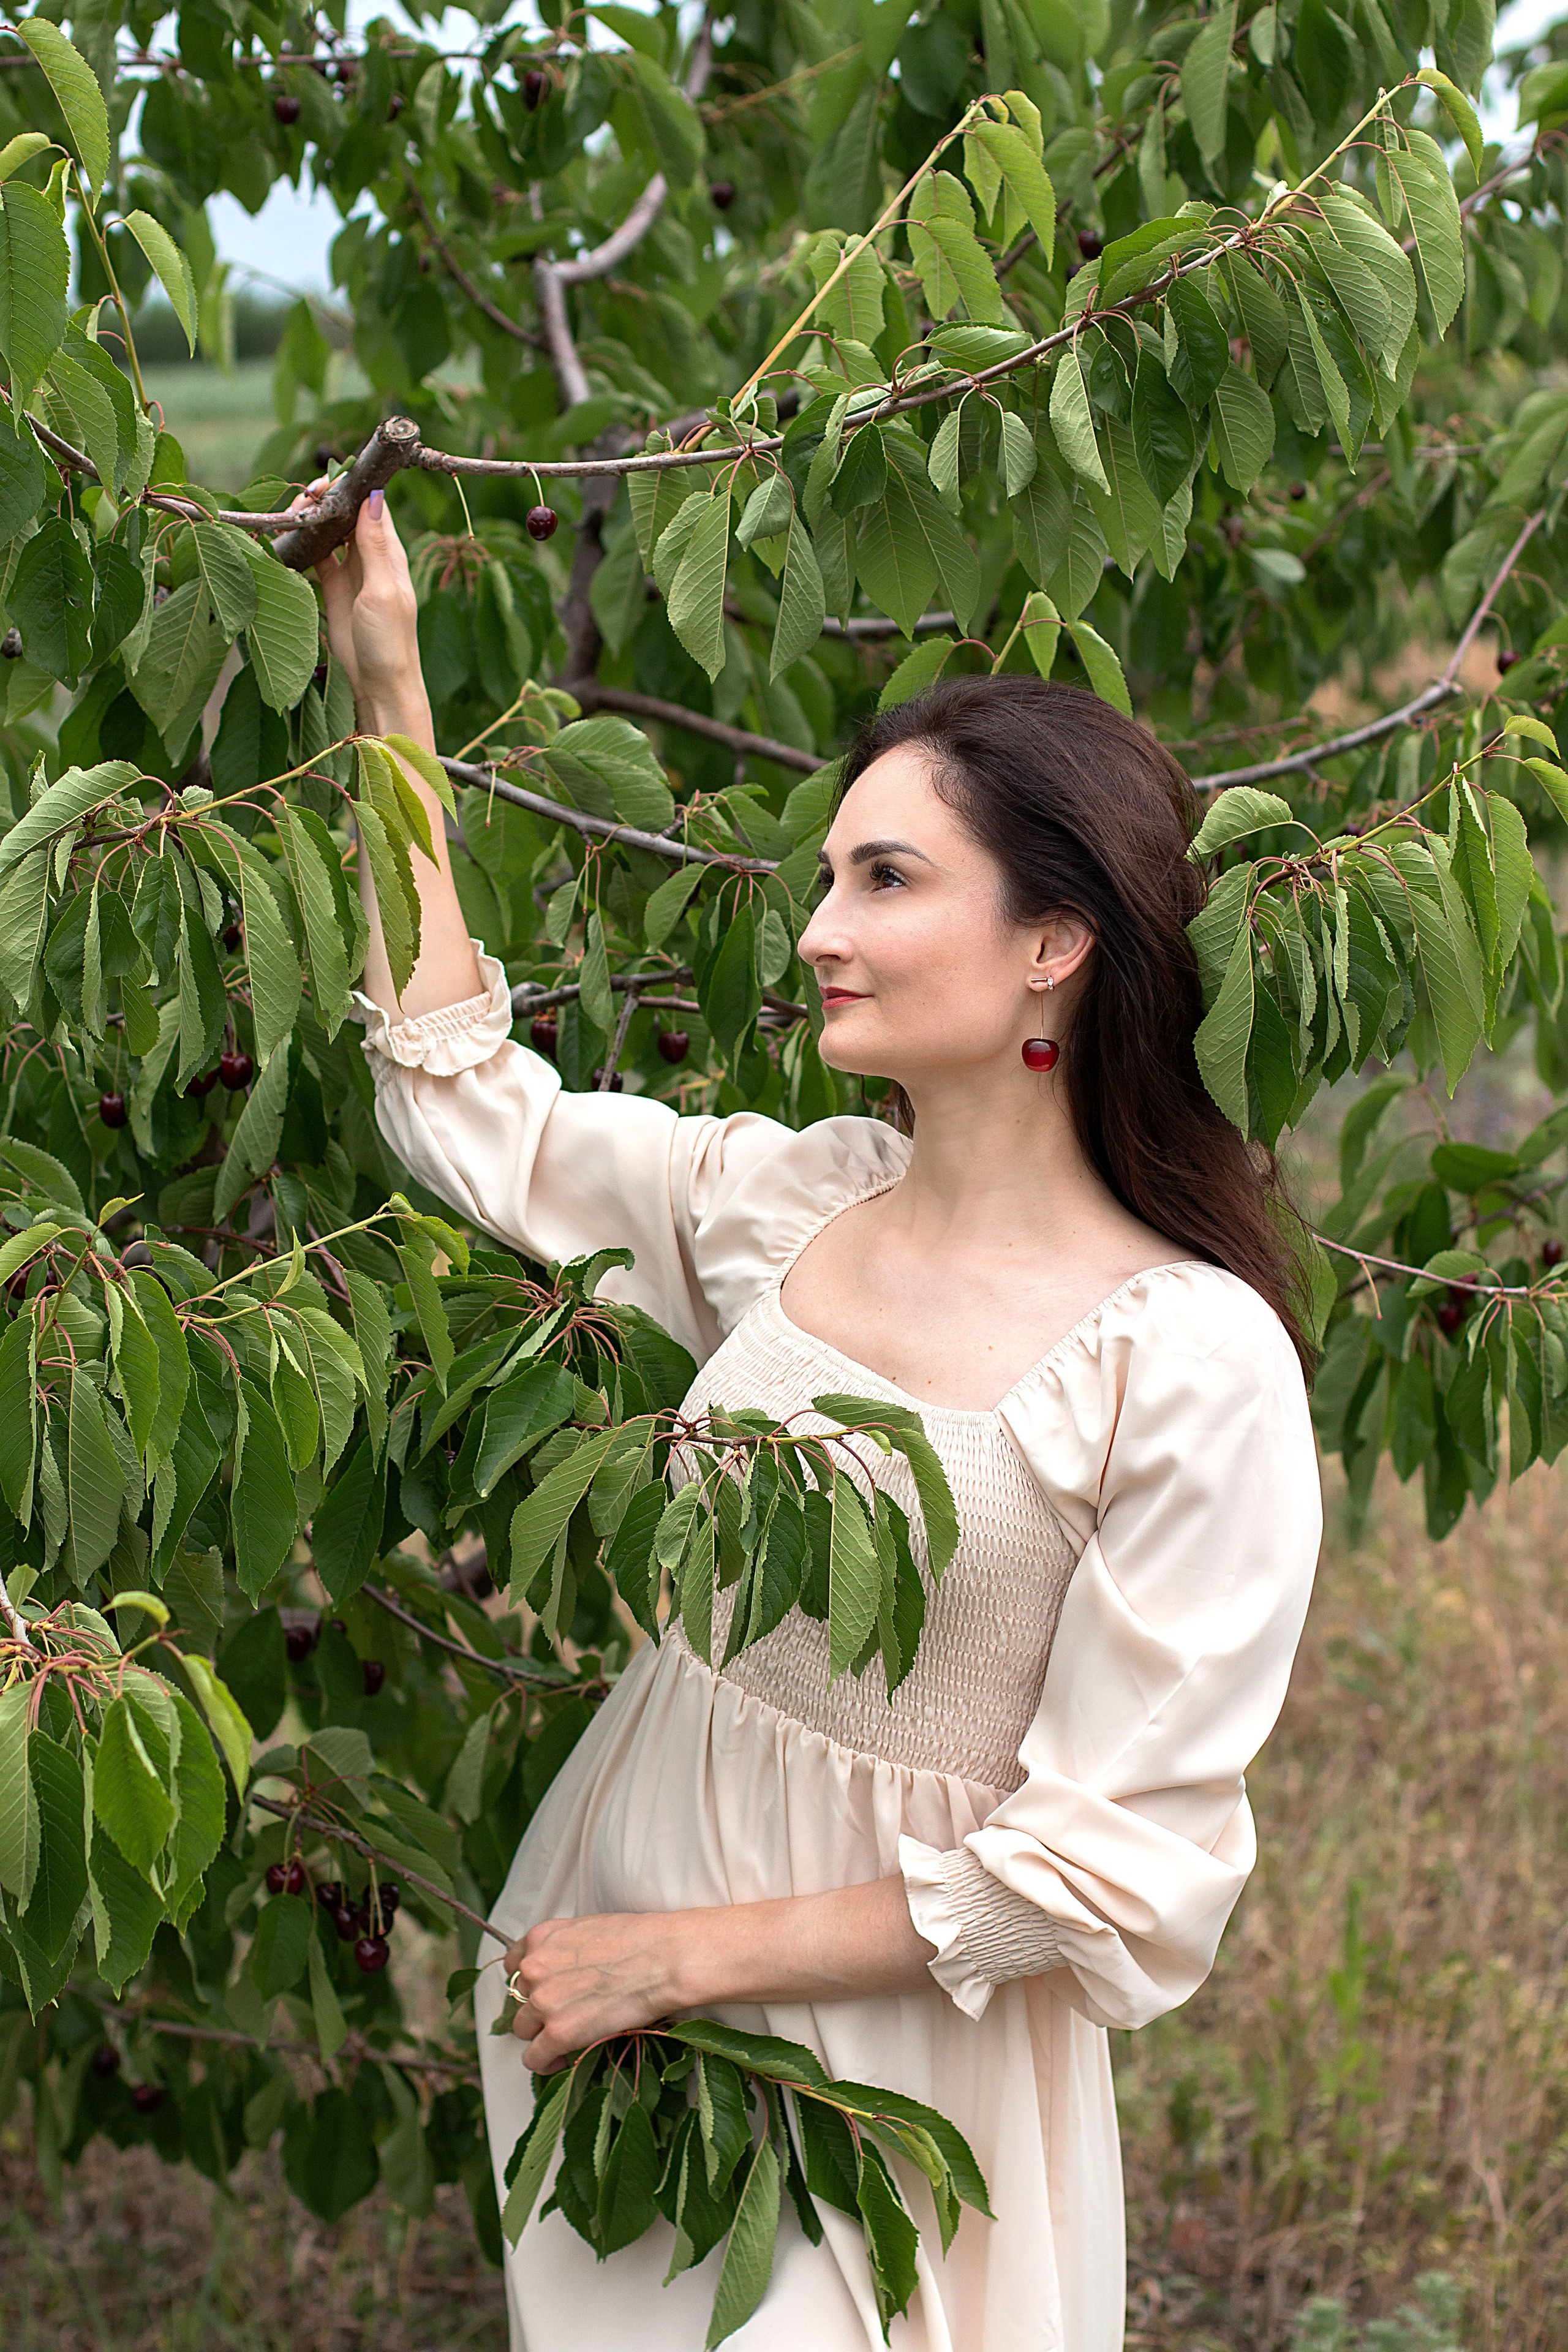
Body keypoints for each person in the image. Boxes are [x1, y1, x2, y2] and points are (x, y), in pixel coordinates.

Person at [316, 486, 1323, 2351]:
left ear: (1056, 940)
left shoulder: (1184, 1362)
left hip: (881, 2076)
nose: (816, 933)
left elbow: (1106, 1865)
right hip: (623, 2021)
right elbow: (474, 1109)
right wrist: (388, 694)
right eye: (831, 877)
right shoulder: (801, 1206)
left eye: (887, 880)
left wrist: (683, 1960)